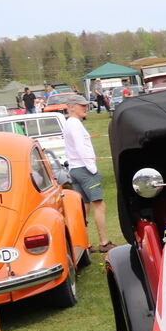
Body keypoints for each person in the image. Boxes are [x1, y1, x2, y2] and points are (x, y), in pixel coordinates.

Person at [60, 94, 113, 252]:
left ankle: (83, 243)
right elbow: (80, 146)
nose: (85, 108)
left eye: (85, 105)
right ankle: (104, 242)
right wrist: (92, 168)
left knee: (83, 208)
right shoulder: (74, 123)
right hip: (84, 169)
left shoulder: (69, 123)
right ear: (71, 107)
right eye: (81, 105)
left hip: (75, 169)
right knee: (99, 204)